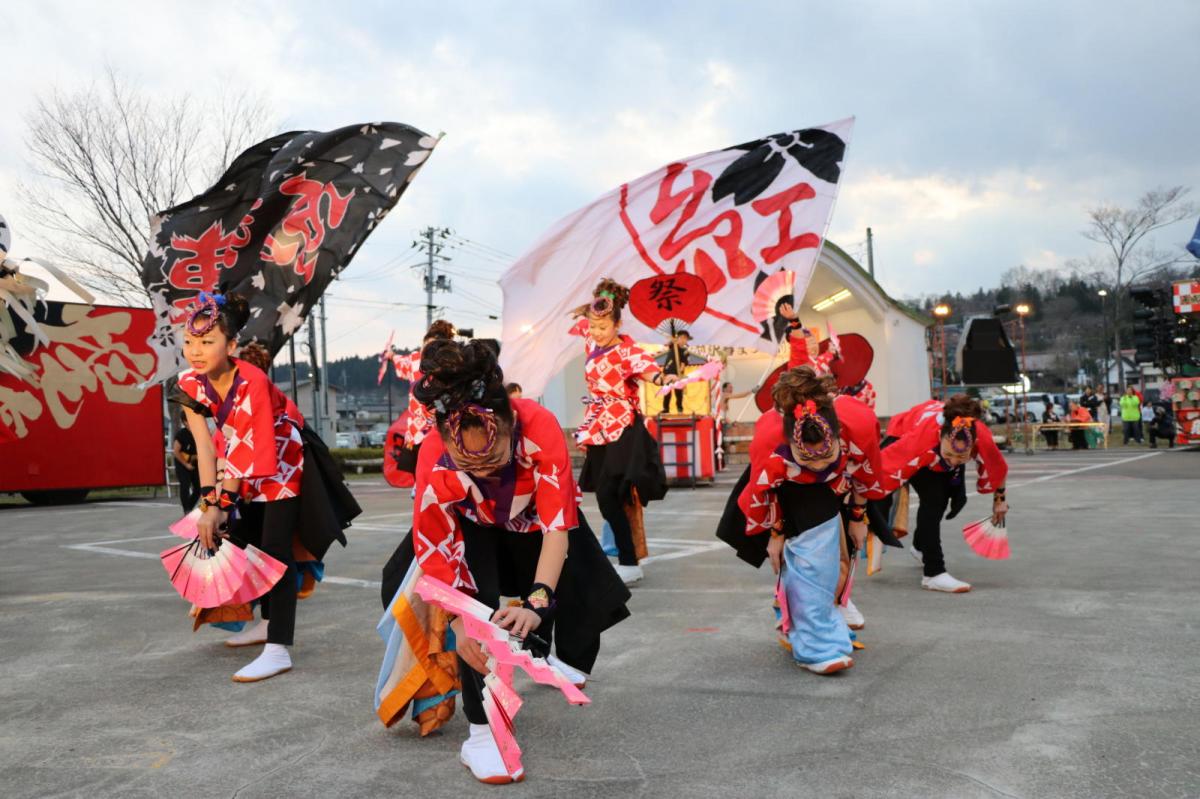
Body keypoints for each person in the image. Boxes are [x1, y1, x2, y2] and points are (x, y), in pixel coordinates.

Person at [407, 338, 630, 783]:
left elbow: (557, 526)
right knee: (476, 620)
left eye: (494, 459)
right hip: (470, 528)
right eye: (470, 466)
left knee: (568, 588)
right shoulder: (433, 453)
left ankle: (541, 648)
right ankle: (482, 733)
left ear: (511, 422)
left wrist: (538, 600)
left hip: (532, 524)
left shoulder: (538, 424)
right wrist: (459, 622)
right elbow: (436, 550)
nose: (484, 473)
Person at [175, 291, 355, 682]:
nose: (195, 351)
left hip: (283, 462)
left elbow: (247, 448)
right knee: (247, 543)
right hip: (241, 461)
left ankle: (278, 649)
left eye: (207, 342)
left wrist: (221, 504)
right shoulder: (189, 382)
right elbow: (205, 446)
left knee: (275, 552)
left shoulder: (251, 381)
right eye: (189, 342)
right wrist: (208, 503)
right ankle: (266, 624)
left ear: (231, 346)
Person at [715, 366, 888, 675]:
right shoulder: (770, 441)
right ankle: (814, 646)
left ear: (838, 434)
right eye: (809, 457)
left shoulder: (858, 424)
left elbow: (867, 472)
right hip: (788, 486)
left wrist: (858, 516)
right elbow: (764, 491)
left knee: (836, 557)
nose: (818, 464)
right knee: (813, 558)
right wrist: (776, 534)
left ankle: (818, 623)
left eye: (825, 455)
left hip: (838, 483)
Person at [570, 278, 669, 585]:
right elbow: (584, 321)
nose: (596, 332)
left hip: (623, 426)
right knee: (605, 498)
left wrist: (663, 378)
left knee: (615, 491)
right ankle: (627, 557)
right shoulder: (590, 341)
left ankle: (629, 560)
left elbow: (650, 371)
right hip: (597, 425)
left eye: (603, 327)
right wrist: (588, 308)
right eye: (593, 326)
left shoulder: (628, 350)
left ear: (618, 324)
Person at [879, 395, 1009, 593]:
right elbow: (881, 468)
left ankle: (920, 547)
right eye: (949, 455)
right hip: (906, 433)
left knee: (950, 496)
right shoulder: (920, 440)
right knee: (934, 501)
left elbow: (997, 468)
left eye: (962, 457)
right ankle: (933, 573)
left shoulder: (980, 434)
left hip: (942, 446)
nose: (954, 461)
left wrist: (1000, 501)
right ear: (941, 436)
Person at [387, 320, 458, 479]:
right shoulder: (452, 364)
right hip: (441, 431)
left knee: (422, 480)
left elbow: (398, 360)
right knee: (440, 479)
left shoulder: (415, 359)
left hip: (421, 432)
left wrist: (391, 355)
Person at [171, 411, 200, 513]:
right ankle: (186, 510)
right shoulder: (181, 434)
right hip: (182, 464)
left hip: (194, 463)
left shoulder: (198, 432)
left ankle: (189, 507)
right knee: (185, 486)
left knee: (199, 488)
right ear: (185, 422)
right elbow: (176, 451)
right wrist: (186, 464)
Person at [660, 327, 692, 414]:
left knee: (678, 392)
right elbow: (668, 343)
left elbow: (683, 363)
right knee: (667, 392)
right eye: (681, 337)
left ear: (686, 340)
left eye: (685, 338)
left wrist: (680, 373)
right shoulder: (673, 346)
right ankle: (666, 409)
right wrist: (673, 340)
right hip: (668, 372)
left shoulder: (685, 351)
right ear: (678, 338)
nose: (683, 340)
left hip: (677, 373)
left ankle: (679, 408)